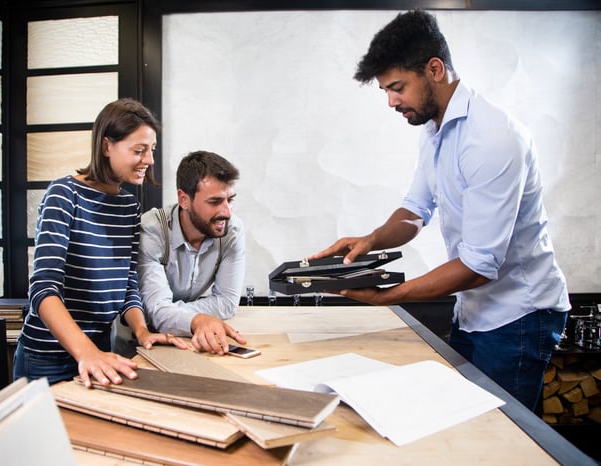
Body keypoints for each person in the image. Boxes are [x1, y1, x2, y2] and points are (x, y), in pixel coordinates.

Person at [311, 10, 569, 411]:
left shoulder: (492, 138)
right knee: (467, 419)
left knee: (503, 435)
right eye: (385, 91)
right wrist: (371, 240)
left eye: (397, 87)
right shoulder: (434, 129)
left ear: (434, 69)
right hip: (473, 309)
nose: (391, 102)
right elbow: (415, 210)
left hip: (519, 315)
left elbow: (479, 266)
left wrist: (389, 296)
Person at [13, 97, 186, 388]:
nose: (149, 160)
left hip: (99, 353)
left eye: (152, 150)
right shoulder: (64, 194)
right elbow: (43, 288)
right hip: (47, 358)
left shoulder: (129, 207)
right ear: (107, 146)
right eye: (139, 150)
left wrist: (142, 331)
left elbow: (127, 283)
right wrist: (86, 352)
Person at [114, 150, 247, 356]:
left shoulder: (232, 231)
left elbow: (227, 303)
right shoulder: (152, 231)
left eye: (230, 200)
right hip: (139, 343)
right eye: (214, 202)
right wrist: (196, 320)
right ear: (184, 199)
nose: (227, 212)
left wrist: (181, 317)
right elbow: (156, 312)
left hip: (189, 340)